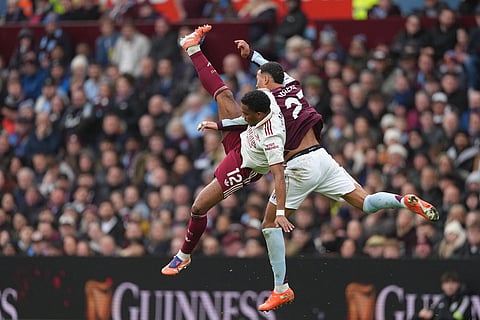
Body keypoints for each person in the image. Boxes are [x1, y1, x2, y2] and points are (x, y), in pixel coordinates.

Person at [234, 37, 440, 311]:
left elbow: (252, 117)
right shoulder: (293, 85)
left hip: (300, 165)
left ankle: (280, 289)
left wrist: (224, 123)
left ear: (267, 82)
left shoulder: (267, 101)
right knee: (365, 203)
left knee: (269, 224)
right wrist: (252, 55)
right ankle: (402, 201)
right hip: (322, 157)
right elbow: (271, 67)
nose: (257, 82)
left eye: (259, 79)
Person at [161, 25, 289, 279]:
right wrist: (252, 54)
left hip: (244, 165)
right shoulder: (269, 97)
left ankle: (184, 255)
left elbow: (278, 174)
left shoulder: (273, 135)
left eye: (248, 113)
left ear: (259, 116)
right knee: (224, 95)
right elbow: (248, 116)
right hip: (243, 140)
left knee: (198, 206)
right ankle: (192, 47)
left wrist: (282, 213)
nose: (257, 79)